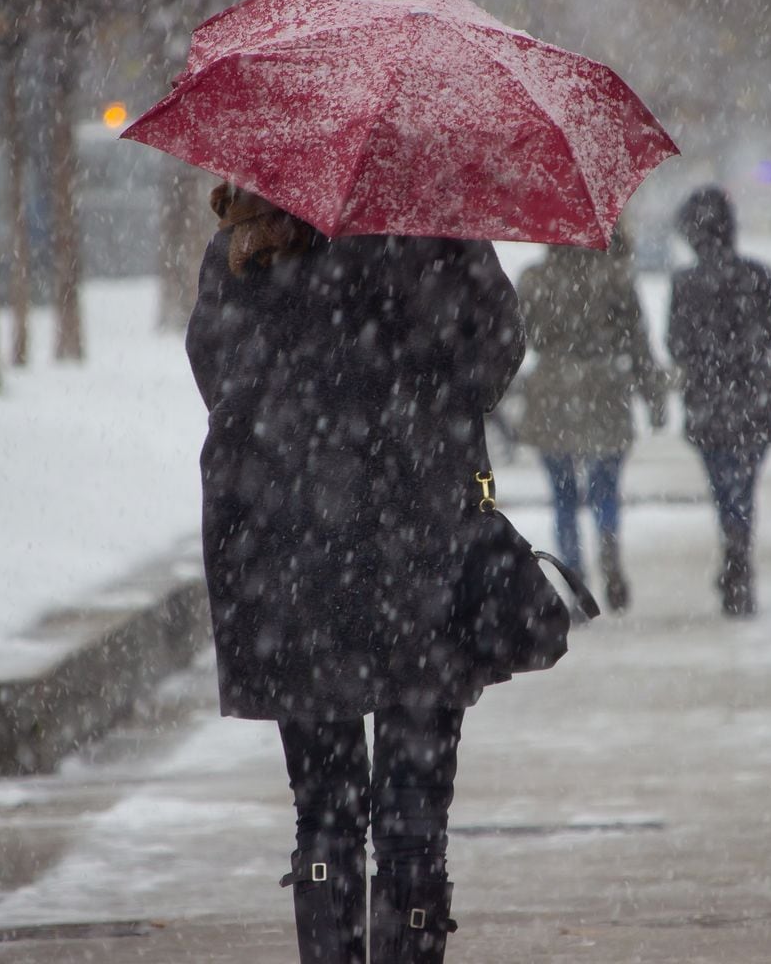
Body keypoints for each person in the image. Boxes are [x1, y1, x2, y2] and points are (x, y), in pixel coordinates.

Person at [185, 183, 526, 963]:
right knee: (412, 815)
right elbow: (495, 355)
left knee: (325, 811)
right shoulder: (438, 229)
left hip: (286, 557)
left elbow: (219, 384)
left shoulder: (244, 242)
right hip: (422, 547)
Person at [517, 225, 668, 612]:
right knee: (605, 489)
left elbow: (522, 339)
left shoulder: (534, 281)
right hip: (606, 389)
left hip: (551, 392)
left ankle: (574, 580)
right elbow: (638, 341)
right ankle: (609, 553)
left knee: (563, 497)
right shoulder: (615, 277)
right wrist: (654, 395)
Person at [667, 185, 771, 617]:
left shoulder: (685, 284)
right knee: (744, 485)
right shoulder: (761, 276)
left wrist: (707, 353)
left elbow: (677, 345)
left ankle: (733, 549)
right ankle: (738, 553)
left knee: (723, 486)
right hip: (752, 397)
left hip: (708, 400)